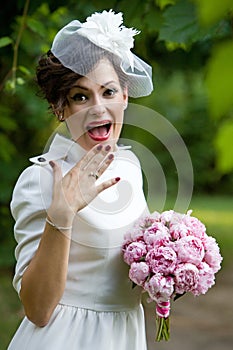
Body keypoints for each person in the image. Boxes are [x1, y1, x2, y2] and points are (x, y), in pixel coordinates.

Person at [8, 9, 153, 350]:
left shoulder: (130, 166)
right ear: (61, 108)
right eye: (80, 96)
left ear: (126, 95)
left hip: (125, 336)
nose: (98, 109)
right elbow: (37, 310)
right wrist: (62, 214)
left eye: (109, 92)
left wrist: (166, 272)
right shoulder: (40, 179)